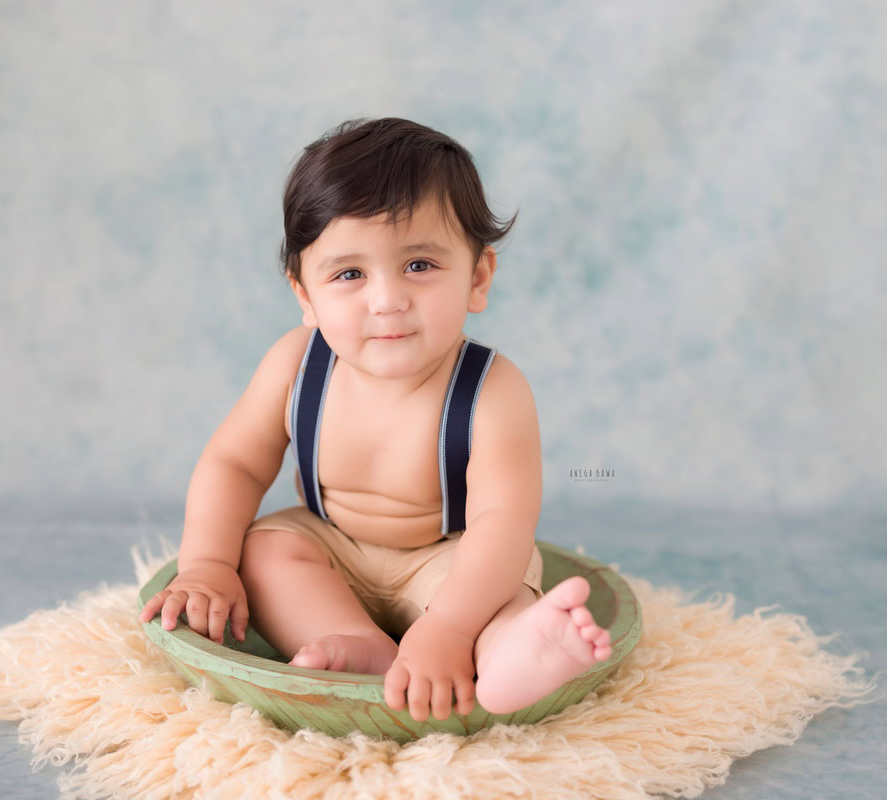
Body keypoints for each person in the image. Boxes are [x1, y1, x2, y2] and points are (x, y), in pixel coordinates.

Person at [138, 117, 611, 723]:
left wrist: (449, 626)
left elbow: (503, 520)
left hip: (449, 559)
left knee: (504, 579)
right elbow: (235, 463)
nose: (387, 300)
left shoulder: (492, 390)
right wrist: (206, 564)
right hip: (333, 546)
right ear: (306, 296)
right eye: (350, 274)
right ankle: (358, 643)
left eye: (419, 265)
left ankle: (510, 651)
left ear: (478, 277)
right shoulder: (295, 365)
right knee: (263, 552)